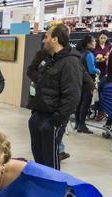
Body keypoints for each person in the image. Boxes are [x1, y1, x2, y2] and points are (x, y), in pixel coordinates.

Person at [29, 24, 82, 170]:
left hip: (52, 120)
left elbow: (72, 96)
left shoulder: (70, 63)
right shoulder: (50, 59)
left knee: (50, 164)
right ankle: (43, 189)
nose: (43, 40)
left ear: (55, 39)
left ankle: (54, 191)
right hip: (38, 115)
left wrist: (55, 121)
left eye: (46, 37)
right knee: (40, 162)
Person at [75, 35, 99, 134]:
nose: (95, 43)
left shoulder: (81, 53)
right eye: (93, 41)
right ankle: (82, 125)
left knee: (79, 103)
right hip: (88, 82)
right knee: (86, 104)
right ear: (89, 43)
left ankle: (77, 123)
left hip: (80, 81)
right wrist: (99, 70)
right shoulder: (89, 54)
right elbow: (92, 70)